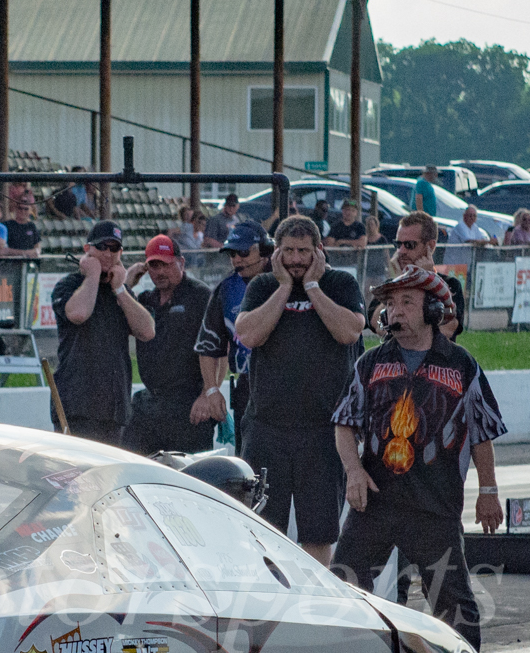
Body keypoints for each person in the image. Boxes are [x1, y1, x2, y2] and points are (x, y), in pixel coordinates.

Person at [332, 266, 506, 650]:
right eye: (391, 304)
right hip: (375, 502)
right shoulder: (370, 364)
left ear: (432, 311)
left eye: (407, 302)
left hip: (434, 506)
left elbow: (482, 434)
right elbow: (344, 424)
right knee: (342, 586)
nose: (395, 311)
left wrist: (489, 491)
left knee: (455, 607)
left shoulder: (461, 365)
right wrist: (354, 471)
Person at [232, 215, 365, 564]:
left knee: (318, 533)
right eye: (288, 251)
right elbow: (248, 334)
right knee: (261, 530)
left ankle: (314, 595)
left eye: (303, 251)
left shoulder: (340, 283)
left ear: (319, 251)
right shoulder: (263, 285)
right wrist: (282, 289)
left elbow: (349, 332)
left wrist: (313, 287)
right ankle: (268, 593)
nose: (295, 259)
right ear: (276, 252)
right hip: (267, 428)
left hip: (322, 431)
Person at [48, 220, 156, 445]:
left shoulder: (121, 293)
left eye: (114, 248)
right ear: (88, 249)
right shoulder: (69, 285)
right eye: (101, 247)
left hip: (114, 410)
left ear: (120, 253)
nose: (108, 253)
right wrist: (92, 277)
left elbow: (147, 331)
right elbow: (78, 313)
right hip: (76, 406)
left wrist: (121, 290)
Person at [123, 234, 216, 455]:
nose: (160, 272)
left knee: (189, 473)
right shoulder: (145, 300)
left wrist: (207, 395)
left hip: (189, 405)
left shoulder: (200, 295)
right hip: (151, 402)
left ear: (181, 262)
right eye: (154, 266)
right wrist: (126, 284)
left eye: (166, 264)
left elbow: (219, 349)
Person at [192, 220, 271, 451]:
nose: (237, 259)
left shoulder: (286, 282)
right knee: (248, 455)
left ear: (264, 251)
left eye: (244, 252)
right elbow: (208, 346)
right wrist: (212, 390)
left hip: (288, 385)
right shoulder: (226, 289)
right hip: (247, 385)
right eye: (232, 254)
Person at [368, 212, 463, 341]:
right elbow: (378, 326)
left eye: (409, 245)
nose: (401, 251)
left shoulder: (450, 285)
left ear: (430, 246)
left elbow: (448, 329)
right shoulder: (389, 287)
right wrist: (400, 282)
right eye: (398, 244)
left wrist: (429, 281)